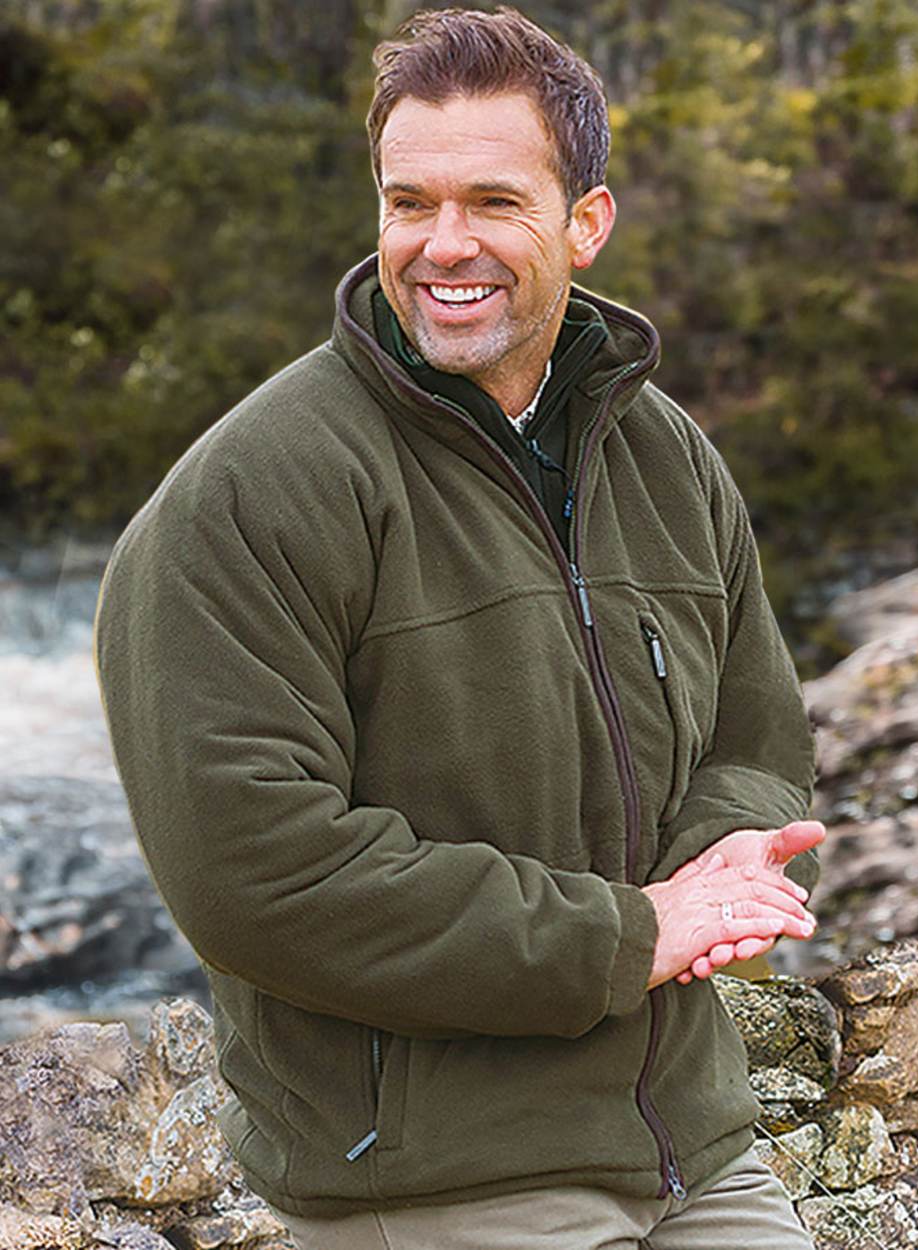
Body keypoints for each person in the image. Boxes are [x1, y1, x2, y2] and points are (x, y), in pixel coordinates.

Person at [93, 7, 826, 1248]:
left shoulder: (664, 456)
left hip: (692, 1145)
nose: (443, 246)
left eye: (492, 201)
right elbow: (259, 874)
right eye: (408, 202)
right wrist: (626, 934)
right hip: (435, 1182)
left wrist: (723, 872)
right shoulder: (255, 490)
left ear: (583, 225)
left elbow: (756, 738)